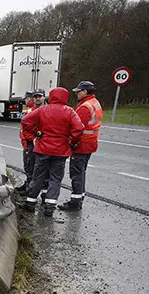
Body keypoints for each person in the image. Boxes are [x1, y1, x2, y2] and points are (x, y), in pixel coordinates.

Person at [21, 87, 84, 217]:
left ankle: (30, 203)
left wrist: (36, 133)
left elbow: (25, 121)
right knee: (55, 179)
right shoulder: (69, 111)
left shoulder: (43, 110)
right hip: (61, 151)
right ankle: (50, 207)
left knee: (38, 176)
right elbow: (79, 128)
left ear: (51, 96)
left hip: (43, 149)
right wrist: (72, 141)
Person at [59, 81, 103, 212]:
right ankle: (80, 197)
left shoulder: (85, 107)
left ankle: (75, 202)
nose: (77, 93)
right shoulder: (95, 103)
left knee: (76, 173)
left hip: (81, 144)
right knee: (82, 172)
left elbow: (78, 128)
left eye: (78, 91)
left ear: (85, 91)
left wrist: (71, 142)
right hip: (90, 143)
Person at [16, 90, 46, 195]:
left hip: (40, 145)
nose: (37, 98)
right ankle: (28, 186)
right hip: (29, 143)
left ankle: (32, 190)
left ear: (44, 97)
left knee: (37, 169)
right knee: (29, 166)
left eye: (39, 96)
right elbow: (24, 129)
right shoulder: (30, 110)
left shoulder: (47, 110)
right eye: (35, 97)